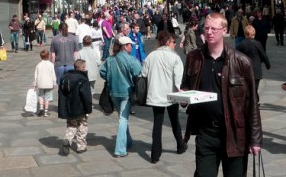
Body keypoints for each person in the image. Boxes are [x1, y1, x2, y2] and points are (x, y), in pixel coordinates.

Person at [181, 12, 262, 176]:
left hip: (234, 134)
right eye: (206, 28)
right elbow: (186, 88)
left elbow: (252, 103)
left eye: (214, 29)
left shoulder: (241, 61)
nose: (209, 32)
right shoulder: (194, 58)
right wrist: (183, 95)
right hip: (206, 133)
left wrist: (255, 139)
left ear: (224, 31)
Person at [142, 31, 186, 164]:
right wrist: (182, 93)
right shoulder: (175, 57)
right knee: (174, 121)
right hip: (171, 95)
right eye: (173, 42)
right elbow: (178, 80)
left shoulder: (151, 55)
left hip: (155, 94)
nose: (175, 44)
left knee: (157, 123)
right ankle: (180, 145)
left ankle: (155, 154)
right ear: (167, 42)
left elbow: (144, 73)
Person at [100, 36, 142, 157]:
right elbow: (139, 74)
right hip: (126, 93)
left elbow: (102, 72)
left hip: (113, 92)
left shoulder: (110, 59)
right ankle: (120, 149)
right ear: (125, 46)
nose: (132, 46)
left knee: (122, 117)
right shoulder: (131, 60)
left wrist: (110, 77)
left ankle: (128, 141)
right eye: (130, 45)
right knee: (123, 119)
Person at [58, 59, 92, 155]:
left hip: (69, 108)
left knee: (72, 125)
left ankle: (67, 139)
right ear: (82, 68)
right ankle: (81, 146)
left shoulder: (65, 77)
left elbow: (61, 94)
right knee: (82, 125)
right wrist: (88, 108)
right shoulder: (82, 78)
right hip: (80, 107)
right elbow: (86, 96)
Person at [237, 25, 270, 104]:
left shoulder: (241, 44)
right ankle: (255, 104)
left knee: (248, 88)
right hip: (256, 69)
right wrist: (267, 64)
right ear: (254, 33)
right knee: (254, 89)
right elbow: (263, 55)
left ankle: (251, 103)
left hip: (245, 69)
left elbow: (237, 57)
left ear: (245, 33)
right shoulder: (257, 44)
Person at [33, 49, 56, 117]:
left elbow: (35, 75)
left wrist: (35, 83)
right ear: (48, 56)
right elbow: (53, 74)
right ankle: (46, 111)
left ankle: (41, 108)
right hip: (49, 84)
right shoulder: (51, 64)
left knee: (40, 96)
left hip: (40, 84)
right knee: (47, 97)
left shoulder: (38, 65)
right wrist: (54, 82)